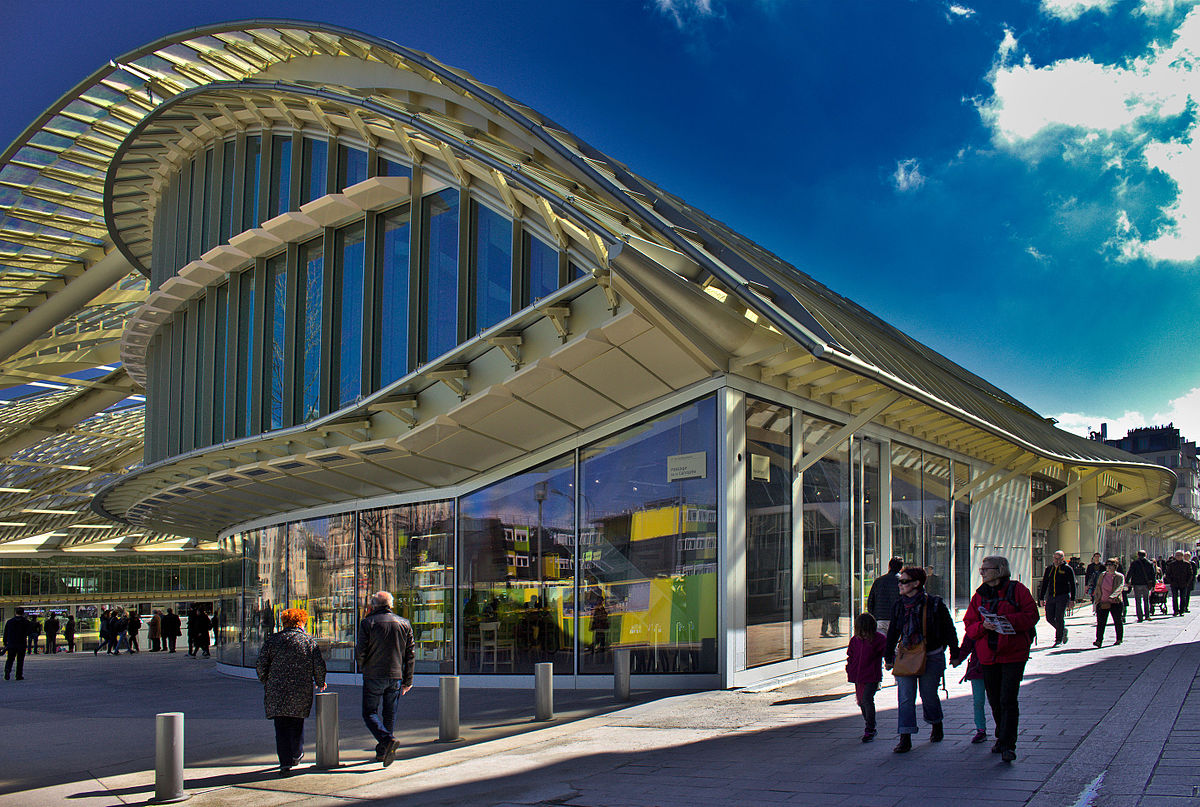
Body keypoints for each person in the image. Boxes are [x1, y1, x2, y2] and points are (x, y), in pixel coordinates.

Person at [964, 555, 1039, 763]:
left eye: (986, 569)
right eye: (981, 569)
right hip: (988, 655)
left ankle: (1008, 745)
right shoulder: (979, 595)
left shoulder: (1018, 590)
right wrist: (983, 626)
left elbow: (1032, 615)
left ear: (999, 570)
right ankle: (1001, 735)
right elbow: (969, 624)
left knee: (1008, 699)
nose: (982, 572)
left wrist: (1006, 620)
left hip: (1014, 654)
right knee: (995, 699)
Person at [883, 566, 958, 754]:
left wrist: (955, 653)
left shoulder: (934, 604)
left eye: (904, 581)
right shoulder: (899, 605)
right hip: (907, 656)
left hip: (931, 655)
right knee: (905, 697)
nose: (900, 585)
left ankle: (936, 723)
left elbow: (949, 629)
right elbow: (893, 632)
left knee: (928, 695)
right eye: (900, 581)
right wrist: (888, 656)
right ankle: (905, 737)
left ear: (917, 583)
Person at [255, 608, 327, 777]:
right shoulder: (308, 641)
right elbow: (318, 664)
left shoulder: (273, 640)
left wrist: (267, 679)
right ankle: (296, 753)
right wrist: (320, 681)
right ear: (301, 622)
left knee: (281, 726)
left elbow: (261, 664)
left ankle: (285, 762)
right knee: (297, 722)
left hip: (277, 689)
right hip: (300, 689)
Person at [356, 591, 415, 767]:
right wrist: (408, 680)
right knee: (389, 713)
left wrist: (364, 667)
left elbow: (360, 651)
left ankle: (386, 741)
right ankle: (384, 749)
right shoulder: (404, 623)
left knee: (369, 713)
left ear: (374, 605)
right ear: (391, 605)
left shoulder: (368, 623)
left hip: (374, 674)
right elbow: (410, 654)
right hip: (395, 675)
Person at [846, 613, 886, 743]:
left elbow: (886, 652)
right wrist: (849, 668)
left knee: (867, 699)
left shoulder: (879, 639)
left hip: (872, 676)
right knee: (861, 702)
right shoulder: (855, 640)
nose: (863, 634)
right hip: (858, 677)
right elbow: (850, 656)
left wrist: (890, 662)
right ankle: (869, 723)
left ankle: (870, 727)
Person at [950, 634, 989, 744]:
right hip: (978, 669)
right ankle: (981, 729)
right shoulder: (975, 628)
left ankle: (1001, 728)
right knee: (978, 701)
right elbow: (966, 646)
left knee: (997, 702)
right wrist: (958, 659)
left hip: (996, 667)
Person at [1038, 550, 1076, 646]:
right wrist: (1041, 598)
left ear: (1062, 559)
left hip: (1062, 596)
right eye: (1055, 558)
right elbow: (1045, 583)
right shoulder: (1049, 568)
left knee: (1059, 617)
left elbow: (1073, 584)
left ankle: (1058, 639)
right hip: (1051, 596)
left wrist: (1072, 599)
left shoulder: (1067, 569)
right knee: (1049, 617)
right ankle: (1062, 630)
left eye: (1058, 559)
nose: (1056, 560)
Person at [1093, 558, 1127, 647]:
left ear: (1115, 566)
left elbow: (1120, 587)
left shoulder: (1119, 576)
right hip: (1103, 601)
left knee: (1117, 621)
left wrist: (1113, 596)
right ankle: (1098, 640)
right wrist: (1097, 599)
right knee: (1101, 622)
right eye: (1107, 565)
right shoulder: (1102, 575)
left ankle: (1119, 639)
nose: (1109, 567)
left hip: (1115, 602)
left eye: (1111, 565)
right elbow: (1098, 586)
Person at [866, 557, 904, 633]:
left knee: (882, 639)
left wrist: (874, 616)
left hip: (880, 618)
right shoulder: (903, 582)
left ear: (889, 566)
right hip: (897, 619)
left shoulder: (878, 581)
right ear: (901, 568)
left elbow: (870, 601)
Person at [1126, 550, 1157, 623]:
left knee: (1138, 601)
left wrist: (1127, 581)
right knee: (1146, 600)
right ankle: (1147, 615)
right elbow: (1153, 574)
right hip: (1146, 584)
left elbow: (1130, 572)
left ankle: (1140, 617)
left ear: (1138, 555)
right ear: (1145, 555)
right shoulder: (1149, 563)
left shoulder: (1134, 563)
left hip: (1137, 584)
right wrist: (1153, 584)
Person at [1164, 550, 1192, 616]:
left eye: (1179, 555)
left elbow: (1190, 574)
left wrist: (1187, 582)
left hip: (1183, 583)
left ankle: (1182, 610)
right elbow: (1168, 574)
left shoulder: (1186, 564)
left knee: (1183, 597)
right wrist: (1171, 581)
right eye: (1176, 555)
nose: (1177, 557)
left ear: (1182, 556)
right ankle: (1175, 611)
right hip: (1174, 583)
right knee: (1174, 597)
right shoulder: (1172, 564)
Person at [4, 608, 28, 680]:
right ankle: (18, 675)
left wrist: (5, 642)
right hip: (21, 643)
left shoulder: (10, 622)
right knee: (20, 660)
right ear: (23, 613)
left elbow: (5, 633)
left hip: (11, 643)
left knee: (10, 659)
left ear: (15, 612)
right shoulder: (25, 622)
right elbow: (29, 632)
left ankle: (7, 670)